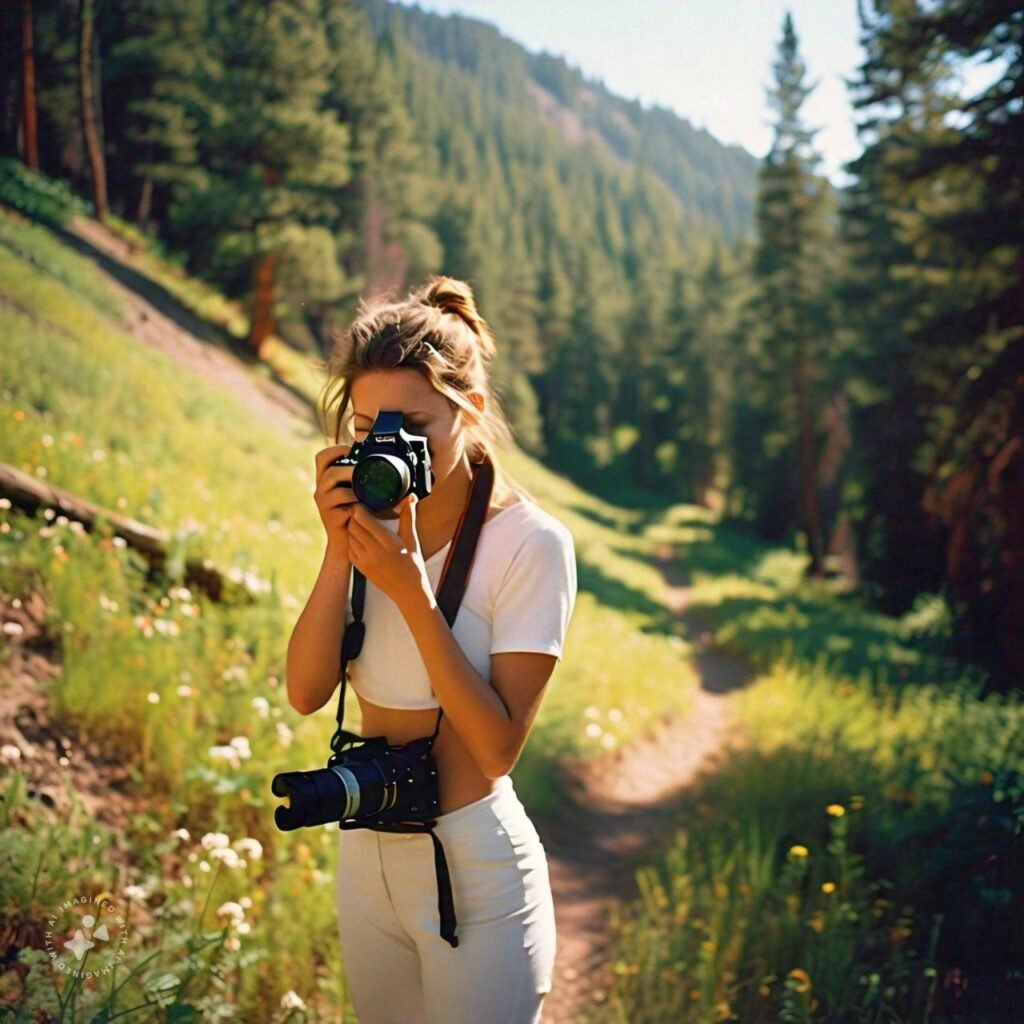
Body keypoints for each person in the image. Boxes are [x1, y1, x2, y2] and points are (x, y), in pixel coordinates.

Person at [285, 275, 578, 1024]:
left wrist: (410, 592)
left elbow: (498, 745)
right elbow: (306, 690)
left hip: (474, 874)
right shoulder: (364, 522)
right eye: (364, 425)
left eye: (411, 425)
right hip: (367, 855)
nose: (385, 446)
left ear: (469, 410)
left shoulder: (530, 544)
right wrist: (339, 550)